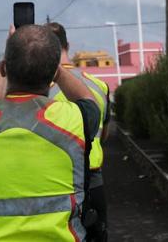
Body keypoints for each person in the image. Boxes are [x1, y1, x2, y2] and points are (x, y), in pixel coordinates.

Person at [0, 24, 100, 241]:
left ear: (5, 69)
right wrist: (56, 69)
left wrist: (3, 66)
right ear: (53, 73)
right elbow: (88, 101)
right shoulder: (75, 119)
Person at [48, 22, 111, 242]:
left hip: (58, 183)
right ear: (68, 45)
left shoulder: (43, 89)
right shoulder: (99, 86)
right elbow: (104, 133)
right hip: (94, 180)